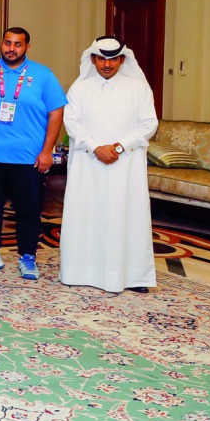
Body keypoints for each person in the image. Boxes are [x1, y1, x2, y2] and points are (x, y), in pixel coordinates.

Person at [0, 27, 66, 281]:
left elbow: (56, 112)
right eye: (7, 43)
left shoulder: (43, 75)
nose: (11, 48)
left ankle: (28, 257)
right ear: (2, 44)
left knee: (28, 210)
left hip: (28, 157)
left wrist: (47, 151)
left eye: (18, 44)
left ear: (27, 47)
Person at [60, 37, 159, 293]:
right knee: (87, 214)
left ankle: (133, 277)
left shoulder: (138, 89)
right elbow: (71, 122)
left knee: (126, 215)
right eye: (102, 58)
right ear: (93, 59)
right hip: (88, 165)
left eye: (112, 59)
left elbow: (149, 124)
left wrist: (118, 146)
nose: (107, 64)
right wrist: (96, 147)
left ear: (121, 60)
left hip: (125, 167)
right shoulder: (79, 89)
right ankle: (79, 271)